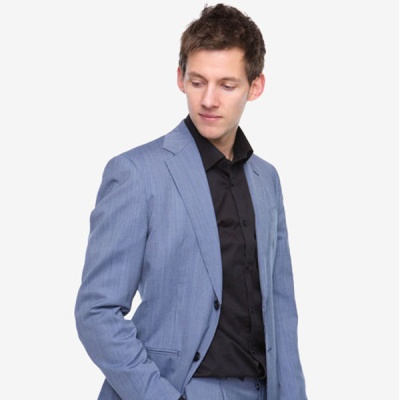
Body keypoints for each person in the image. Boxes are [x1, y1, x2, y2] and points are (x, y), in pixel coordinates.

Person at [75, 4, 307, 400]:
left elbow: (281, 310)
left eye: (227, 85)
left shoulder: (266, 179)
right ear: (180, 78)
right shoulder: (136, 173)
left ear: (255, 87)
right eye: (198, 82)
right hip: (177, 388)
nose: (209, 99)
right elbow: (96, 311)